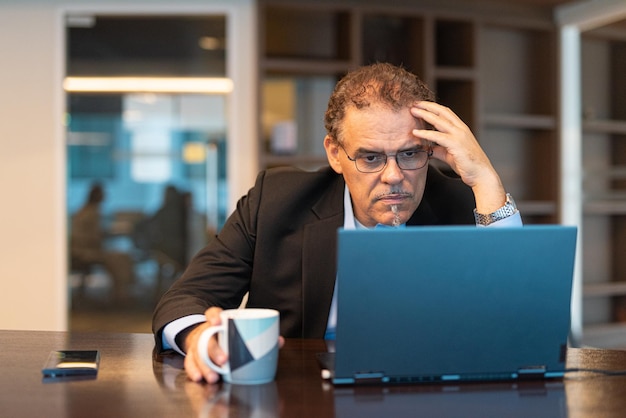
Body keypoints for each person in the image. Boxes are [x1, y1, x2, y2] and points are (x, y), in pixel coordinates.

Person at [152, 62, 522, 383]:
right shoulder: (277, 203)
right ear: (335, 153)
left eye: (410, 154)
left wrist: (487, 181)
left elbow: (520, 323)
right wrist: (200, 337)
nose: (394, 176)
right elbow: (186, 298)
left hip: (428, 394)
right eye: (371, 158)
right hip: (300, 393)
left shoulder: (464, 204)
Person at [70, 183, 134, 302]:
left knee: (119, 257)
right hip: (85, 252)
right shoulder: (91, 213)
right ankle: (121, 294)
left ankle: (121, 292)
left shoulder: (84, 210)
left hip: (81, 250)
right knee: (120, 259)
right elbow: (95, 237)